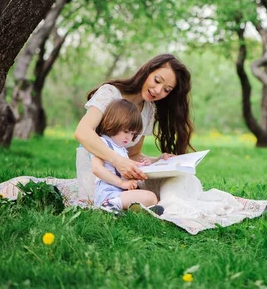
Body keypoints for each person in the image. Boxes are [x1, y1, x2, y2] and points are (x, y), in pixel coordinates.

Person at [74, 54, 194, 198]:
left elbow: (133, 154)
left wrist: (158, 161)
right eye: (157, 80)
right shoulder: (110, 93)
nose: (157, 90)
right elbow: (82, 132)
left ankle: (174, 205)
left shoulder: (149, 110)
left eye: (166, 90)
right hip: (98, 173)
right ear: (147, 71)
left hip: (123, 176)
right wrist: (117, 161)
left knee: (182, 180)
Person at [90, 99, 159, 212]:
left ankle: (131, 208)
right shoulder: (102, 143)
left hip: (121, 193)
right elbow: (97, 169)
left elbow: (125, 167)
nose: (129, 137)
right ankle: (109, 205)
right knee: (150, 197)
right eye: (126, 131)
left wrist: (141, 165)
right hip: (108, 193)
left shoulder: (122, 149)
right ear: (113, 123)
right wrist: (121, 183)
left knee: (152, 197)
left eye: (133, 134)